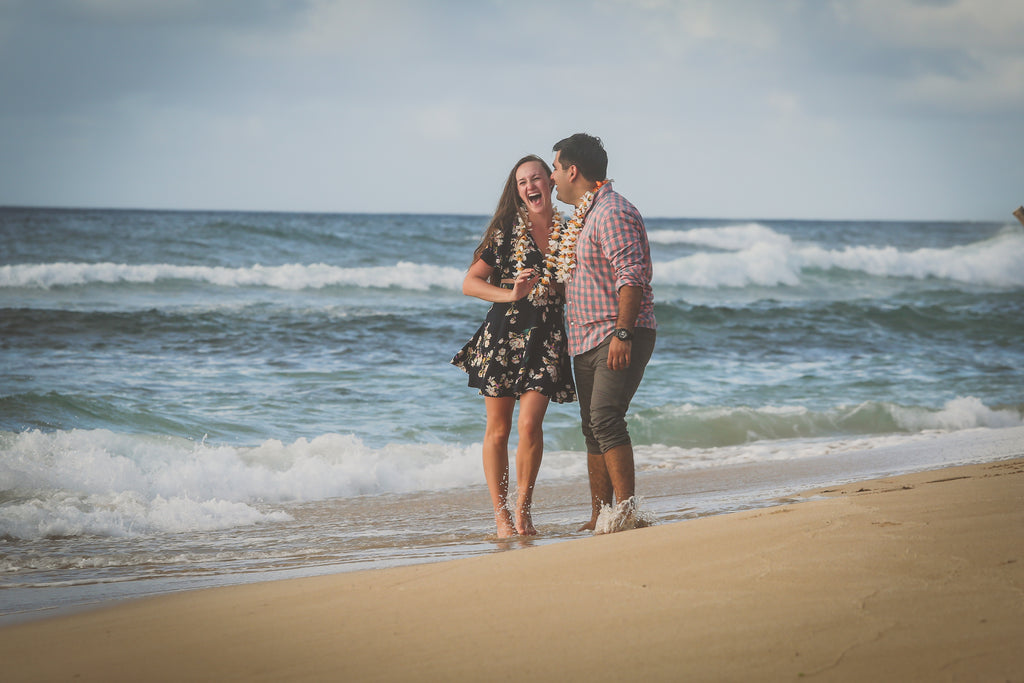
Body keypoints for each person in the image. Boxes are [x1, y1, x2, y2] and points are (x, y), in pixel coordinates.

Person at [451, 154, 576, 538]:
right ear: (517, 190)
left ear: (550, 183)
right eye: (522, 182)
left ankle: (523, 509)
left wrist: (563, 288)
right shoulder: (506, 230)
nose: (529, 186)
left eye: (536, 178)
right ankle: (501, 516)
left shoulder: (571, 232)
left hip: (548, 338)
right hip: (503, 337)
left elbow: (582, 282)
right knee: (499, 429)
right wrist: (512, 293)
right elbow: (470, 282)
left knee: (530, 424)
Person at [549, 133, 656, 533]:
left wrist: (623, 335)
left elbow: (632, 277)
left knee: (606, 419)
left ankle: (626, 513)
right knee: (591, 426)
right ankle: (601, 515)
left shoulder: (611, 212)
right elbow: (591, 276)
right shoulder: (585, 215)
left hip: (617, 333)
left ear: (573, 170)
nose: (553, 176)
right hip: (585, 338)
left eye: (556, 168)